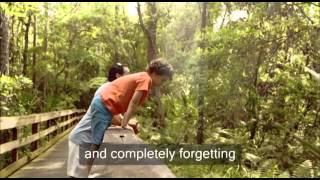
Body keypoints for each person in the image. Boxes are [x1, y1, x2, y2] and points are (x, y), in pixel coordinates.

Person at [67, 58, 173, 178]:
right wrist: (125, 124)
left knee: (97, 146)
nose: (162, 83)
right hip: (98, 115)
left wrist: (125, 123)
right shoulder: (146, 79)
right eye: (162, 80)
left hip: (103, 110)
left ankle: (89, 173)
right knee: (96, 146)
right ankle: (90, 174)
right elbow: (133, 102)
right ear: (154, 73)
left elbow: (131, 104)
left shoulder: (142, 79)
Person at [67, 62, 131, 178]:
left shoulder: (111, 89)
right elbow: (116, 119)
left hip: (88, 140)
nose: (130, 78)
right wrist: (131, 124)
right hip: (82, 139)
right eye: (127, 75)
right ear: (118, 76)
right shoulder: (108, 89)